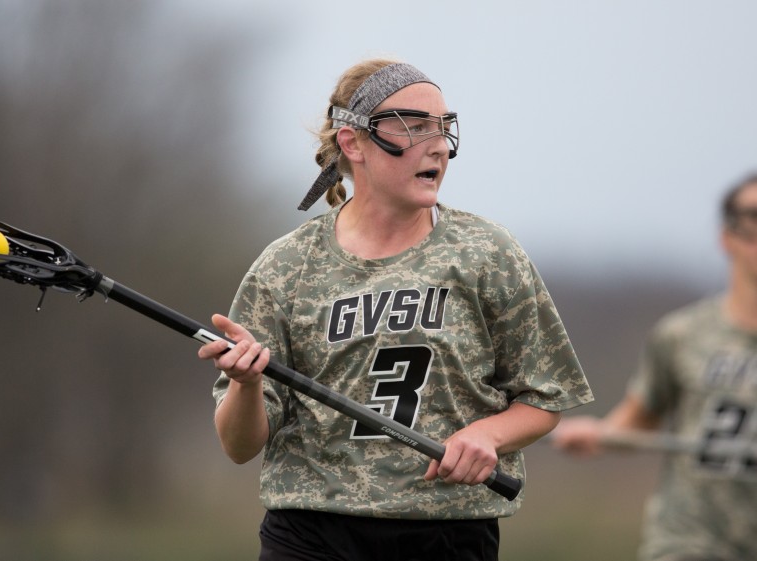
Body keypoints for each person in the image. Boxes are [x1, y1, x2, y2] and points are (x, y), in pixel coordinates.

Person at [198, 58, 594, 561]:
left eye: (443, 127)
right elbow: (239, 445)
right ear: (353, 142)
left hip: (447, 532)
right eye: (414, 126)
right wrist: (247, 382)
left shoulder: (487, 253)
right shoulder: (286, 267)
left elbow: (545, 397)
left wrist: (486, 434)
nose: (437, 145)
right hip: (312, 532)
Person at [553, 173, 757, 561]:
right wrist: (598, 434)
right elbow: (639, 420)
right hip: (694, 539)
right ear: (728, 237)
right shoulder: (683, 335)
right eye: (753, 219)